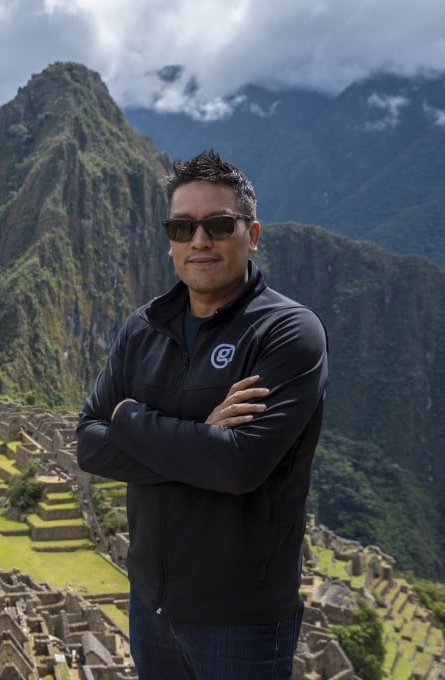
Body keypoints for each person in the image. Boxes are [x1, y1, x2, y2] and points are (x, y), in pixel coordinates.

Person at [77, 149, 328, 679]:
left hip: (241, 621)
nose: (199, 241)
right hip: (150, 604)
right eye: (181, 226)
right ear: (169, 239)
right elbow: (88, 445)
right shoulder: (142, 328)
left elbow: (237, 467)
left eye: (217, 224)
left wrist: (129, 419)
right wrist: (201, 439)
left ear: (251, 234)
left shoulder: (286, 333)